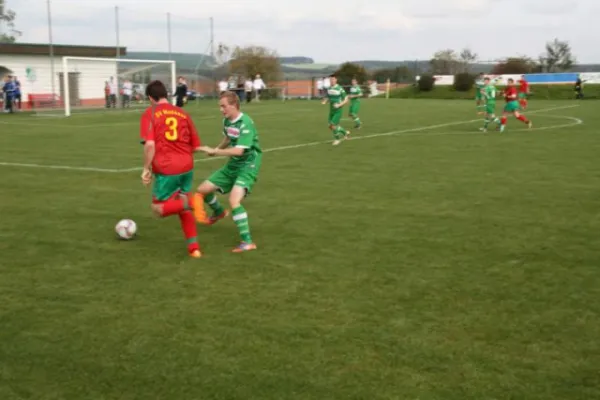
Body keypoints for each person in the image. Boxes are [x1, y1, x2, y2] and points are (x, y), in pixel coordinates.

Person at [139, 80, 206, 258]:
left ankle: (193, 202)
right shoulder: (182, 113)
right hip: (187, 166)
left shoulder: (150, 113)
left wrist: (146, 168)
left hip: (167, 168)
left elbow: (150, 145)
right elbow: (195, 144)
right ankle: (194, 248)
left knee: (158, 209)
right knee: (182, 209)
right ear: (166, 95)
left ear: (150, 98)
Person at [193, 91, 262, 253]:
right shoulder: (227, 121)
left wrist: (215, 152)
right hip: (233, 165)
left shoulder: (246, 123)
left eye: (223, 106)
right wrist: (216, 149)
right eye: (220, 106)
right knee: (203, 190)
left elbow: (239, 151)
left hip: (248, 165)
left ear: (234, 105)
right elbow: (228, 138)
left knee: (234, 200)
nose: (221, 109)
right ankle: (218, 212)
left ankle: (247, 242)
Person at [321, 74, 349, 146]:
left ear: (336, 80)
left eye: (333, 79)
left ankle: (337, 139)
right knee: (330, 126)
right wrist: (325, 101)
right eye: (330, 79)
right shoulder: (329, 88)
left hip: (338, 110)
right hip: (331, 110)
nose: (331, 81)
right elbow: (329, 97)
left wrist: (339, 105)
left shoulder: (340, 88)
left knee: (333, 125)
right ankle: (345, 132)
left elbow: (346, 100)